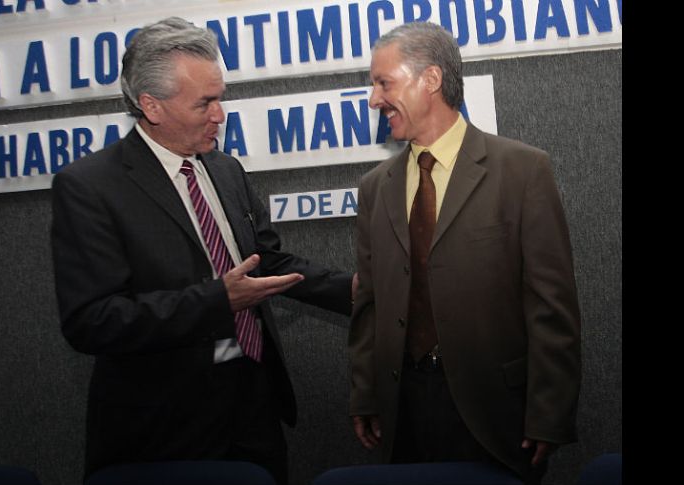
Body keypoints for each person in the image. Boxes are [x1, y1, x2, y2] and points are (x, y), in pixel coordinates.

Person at [50, 17, 353, 485]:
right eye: (204, 102)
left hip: (253, 403)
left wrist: (360, 291)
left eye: (220, 97)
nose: (220, 114)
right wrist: (219, 300)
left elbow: (266, 263)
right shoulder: (90, 188)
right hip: (161, 427)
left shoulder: (226, 170)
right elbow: (93, 321)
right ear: (151, 106)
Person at [348, 22, 581, 485]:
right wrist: (366, 395)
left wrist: (548, 414)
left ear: (430, 80)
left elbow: (551, 306)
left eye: (383, 83)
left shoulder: (521, 171)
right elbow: (369, 304)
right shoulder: (376, 187)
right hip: (404, 411)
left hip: (497, 414)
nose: (373, 99)